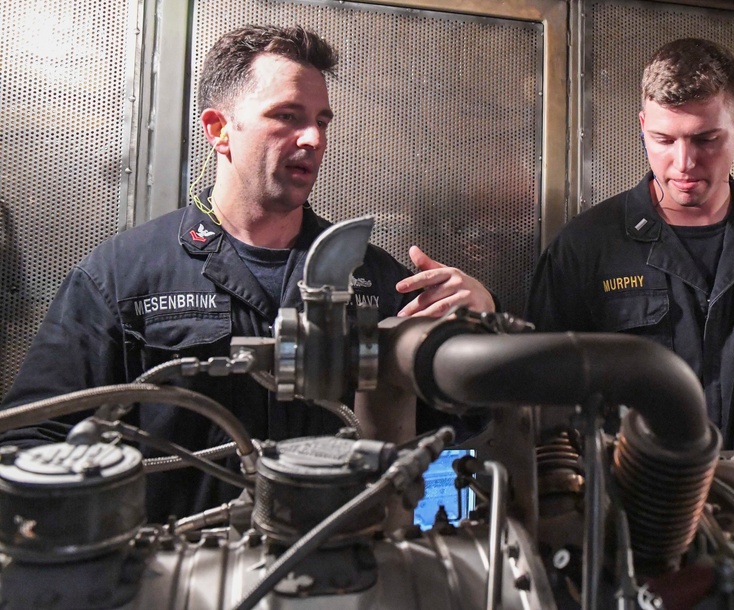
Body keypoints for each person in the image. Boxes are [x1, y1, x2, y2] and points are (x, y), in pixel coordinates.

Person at [0, 25, 495, 520]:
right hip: (188, 573)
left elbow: (450, 428)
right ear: (218, 129)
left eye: (322, 120)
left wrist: (476, 334)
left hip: (340, 568)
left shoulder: (370, 274)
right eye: (287, 116)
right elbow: (32, 438)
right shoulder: (121, 277)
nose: (314, 138)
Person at [526, 38, 734, 450]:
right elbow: (545, 397)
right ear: (643, 125)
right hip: (632, 497)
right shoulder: (585, 247)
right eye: (664, 140)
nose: (683, 163)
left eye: (705, 139)